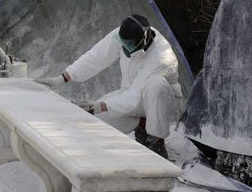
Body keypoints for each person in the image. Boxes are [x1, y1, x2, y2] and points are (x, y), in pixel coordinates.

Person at [35, 14, 183, 158]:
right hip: (130, 94)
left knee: (155, 84)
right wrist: (63, 78)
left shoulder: (161, 57)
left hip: (161, 100)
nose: (125, 46)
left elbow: (134, 98)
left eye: (129, 44)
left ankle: (156, 142)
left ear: (142, 41)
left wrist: (99, 105)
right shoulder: (124, 35)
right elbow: (96, 57)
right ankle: (141, 123)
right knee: (93, 124)